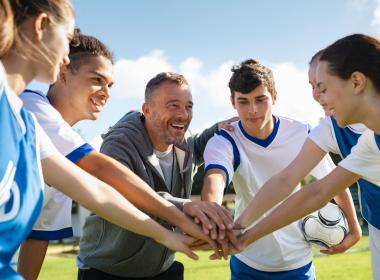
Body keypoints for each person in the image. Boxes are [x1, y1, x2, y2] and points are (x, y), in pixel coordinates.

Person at [0, 1, 201, 278]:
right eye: (68, 40)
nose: (67, 57)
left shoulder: (31, 130)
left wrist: (166, 234)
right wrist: (179, 218)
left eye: (110, 85)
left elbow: (85, 198)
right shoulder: (29, 107)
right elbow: (100, 170)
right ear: (40, 26)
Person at [236, 34, 380, 280]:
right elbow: (314, 191)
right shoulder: (369, 146)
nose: (317, 96)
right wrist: (242, 233)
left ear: (356, 82)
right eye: (312, 87)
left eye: (322, 87)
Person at [200, 59, 359, 279]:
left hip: (298, 261)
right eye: (243, 102)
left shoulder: (301, 133)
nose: (252, 110)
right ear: (232, 102)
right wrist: (211, 217)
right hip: (248, 261)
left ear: (274, 97)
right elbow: (214, 179)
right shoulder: (225, 140)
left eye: (260, 99)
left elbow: (333, 182)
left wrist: (354, 227)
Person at [77, 72, 238, 280]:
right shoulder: (118, 143)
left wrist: (219, 128)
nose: (183, 114)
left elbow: (197, 145)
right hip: (108, 271)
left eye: (188, 106)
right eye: (173, 105)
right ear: (147, 110)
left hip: (162, 269)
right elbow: (130, 196)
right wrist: (186, 205)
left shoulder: (182, 140)